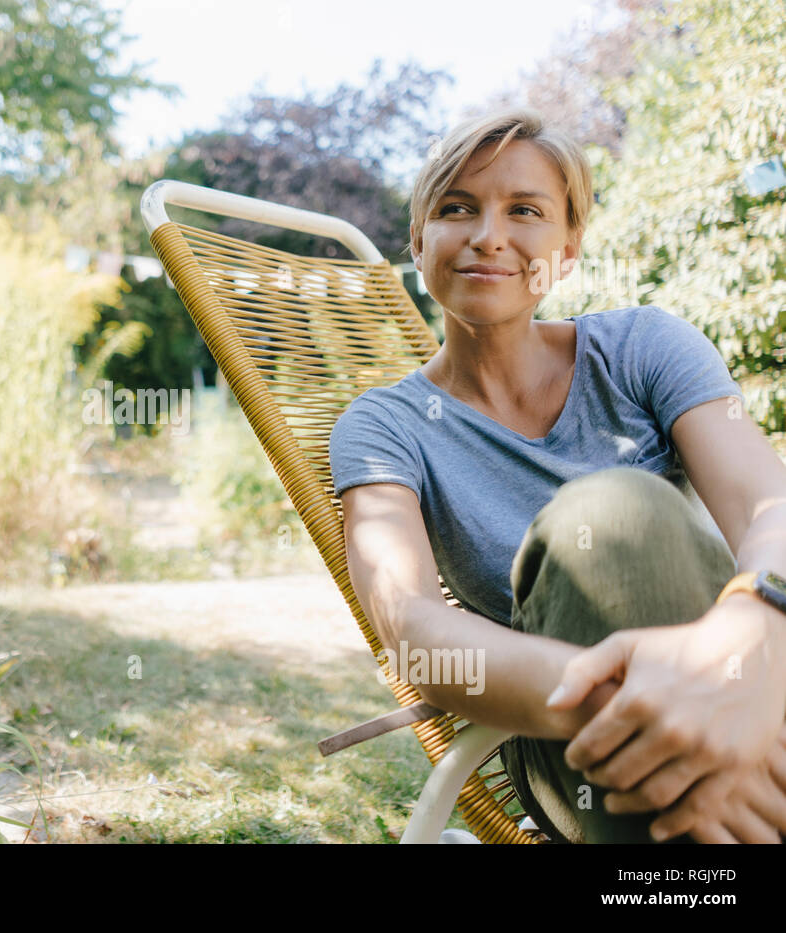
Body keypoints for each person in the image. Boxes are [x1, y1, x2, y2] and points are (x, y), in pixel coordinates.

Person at [328, 107, 786, 843]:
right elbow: (412, 628)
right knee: (614, 515)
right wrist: (649, 706)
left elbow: (769, 502)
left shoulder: (645, 347)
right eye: (457, 208)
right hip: (570, 733)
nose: (487, 235)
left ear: (567, 251)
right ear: (419, 242)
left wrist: (754, 627)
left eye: (525, 211)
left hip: (756, 688)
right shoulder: (386, 428)